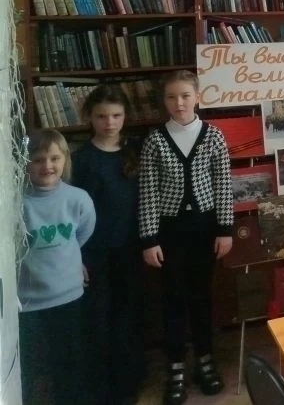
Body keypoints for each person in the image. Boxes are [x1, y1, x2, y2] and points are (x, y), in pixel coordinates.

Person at [139, 71, 233, 405]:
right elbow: (148, 192)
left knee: (202, 296)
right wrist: (149, 238)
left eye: (185, 96)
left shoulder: (214, 136)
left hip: (204, 229)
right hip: (169, 231)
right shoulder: (155, 141)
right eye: (171, 97)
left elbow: (223, 185)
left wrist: (225, 229)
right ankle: (176, 365)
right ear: (164, 101)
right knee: (173, 298)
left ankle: (205, 360)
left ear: (197, 97)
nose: (179, 103)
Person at [73, 84, 145, 404]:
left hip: (131, 249)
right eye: (102, 116)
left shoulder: (135, 152)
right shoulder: (80, 160)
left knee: (129, 316)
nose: (110, 123)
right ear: (90, 117)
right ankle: (103, 387)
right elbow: (70, 214)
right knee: (99, 318)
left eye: (116, 115)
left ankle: (129, 382)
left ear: (125, 116)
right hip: (94, 253)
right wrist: (77, 256)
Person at [19, 129, 96, 405]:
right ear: (27, 163)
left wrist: (71, 260)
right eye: (38, 159)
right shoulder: (17, 203)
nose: (47, 166)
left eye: (54, 158)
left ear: (65, 160)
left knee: (69, 362)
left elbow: (82, 234)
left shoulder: (78, 199)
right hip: (28, 302)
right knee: (30, 366)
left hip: (69, 296)